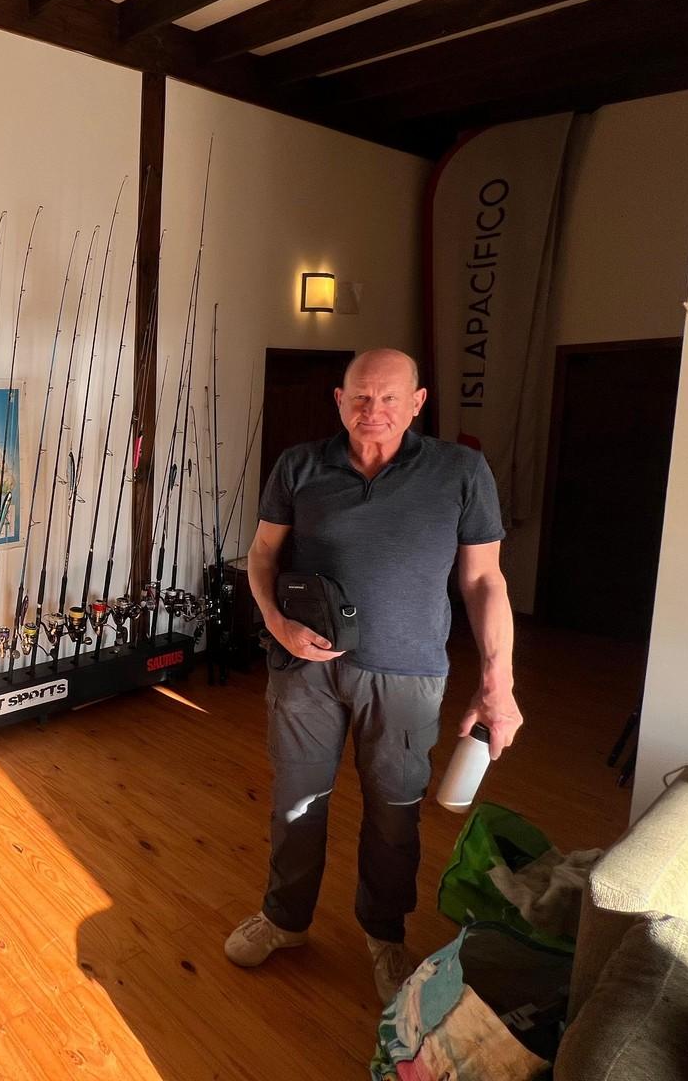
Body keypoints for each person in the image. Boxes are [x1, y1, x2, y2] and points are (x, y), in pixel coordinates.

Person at [223, 348, 523, 1004]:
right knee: (296, 803)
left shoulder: (460, 471)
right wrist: (276, 623)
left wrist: (497, 683)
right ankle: (285, 919)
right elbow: (263, 554)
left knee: (395, 814)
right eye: (360, 396)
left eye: (390, 398)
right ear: (339, 399)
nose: (373, 410)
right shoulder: (299, 465)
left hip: (408, 674)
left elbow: (484, 580)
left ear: (417, 403)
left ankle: (384, 933)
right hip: (305, 669)